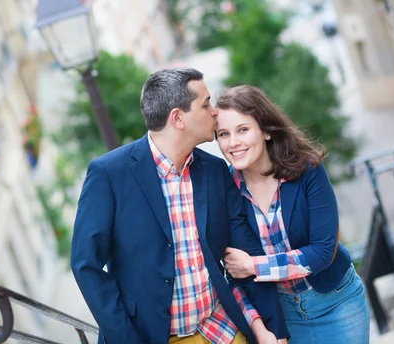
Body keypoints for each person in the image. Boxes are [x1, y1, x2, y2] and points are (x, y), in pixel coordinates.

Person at [71, 69, 289, 344]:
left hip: (219, 327)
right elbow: (85, 265)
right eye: (206, 104)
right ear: (178, 118)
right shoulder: (109, 174)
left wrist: (274, 329)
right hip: (154, 337)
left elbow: (245, 249)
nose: (214, 112)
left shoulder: (214, 170)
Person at [215, 85, 370, 344]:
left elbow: (322, 252)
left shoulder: (306, 170)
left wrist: (254, 265)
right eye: (223, 134)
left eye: (243, 129)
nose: (233, 143)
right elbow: (234, 274)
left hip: (337, 304)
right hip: (284, 317)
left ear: (265, 131)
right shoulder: (225, 192)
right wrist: (259, 327)